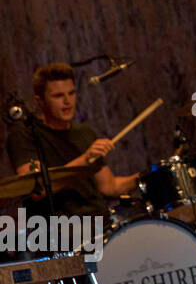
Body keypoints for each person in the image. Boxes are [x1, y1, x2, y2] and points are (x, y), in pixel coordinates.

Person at [5, 63, 140, 218]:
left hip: (99, 222)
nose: (67, 101)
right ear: (39, 101)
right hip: (58, 230)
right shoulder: (24, 134)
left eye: (71, 93)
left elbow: (109, 186)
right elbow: (37, 189)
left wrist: (145, 176)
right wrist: (85, 159)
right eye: (58, 96)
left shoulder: (84, 133)